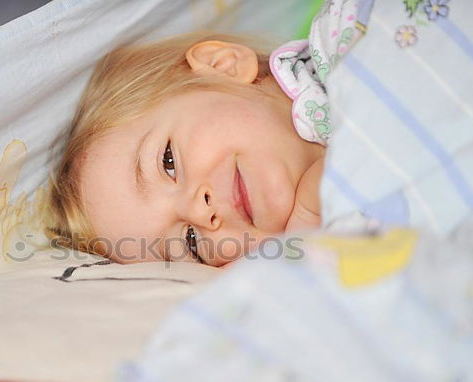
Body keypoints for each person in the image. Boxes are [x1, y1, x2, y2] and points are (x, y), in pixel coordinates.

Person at [42, 4, 362, 267]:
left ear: (221, 66)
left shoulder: (350, 37)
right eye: (190, 243)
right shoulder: (346, 253)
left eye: (168, 162)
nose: (199, 212)